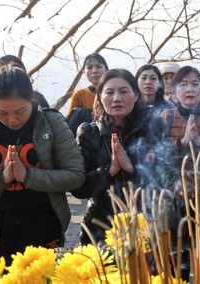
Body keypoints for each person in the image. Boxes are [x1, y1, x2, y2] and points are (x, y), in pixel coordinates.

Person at [0, 66, 85, 265]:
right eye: (1, 112)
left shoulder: (52, 122)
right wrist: (1, 178)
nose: (12, 119)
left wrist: (27, 176)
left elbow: (75, 175)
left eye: (20, 111)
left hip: (45, 221)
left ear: (32, 99)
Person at [73, 68, 178, 245]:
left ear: (135, 95)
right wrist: (110, 170)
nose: (116, 98)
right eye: (109, 92)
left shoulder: (154, 127)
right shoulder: (89, 132)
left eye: (123, 91)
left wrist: (131, 168)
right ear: (99, 97)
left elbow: (166, 178)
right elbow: (79, 188)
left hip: (146, 221)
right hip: (100, 225)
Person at [159, 65, 200, 280]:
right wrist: (182, 142)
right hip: (176, 199)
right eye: (183, 85)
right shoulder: (166, 117)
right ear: (174, 92)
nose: (190, 89)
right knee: (179, 257)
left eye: (195, 84)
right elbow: (156, 153)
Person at [66, 53, 109, 135]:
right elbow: (69, 123)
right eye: (89, 67)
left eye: (99, 66)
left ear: (106, 69)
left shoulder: (114, 92)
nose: (94, 71)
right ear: (84, 72)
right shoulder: (79, 95)